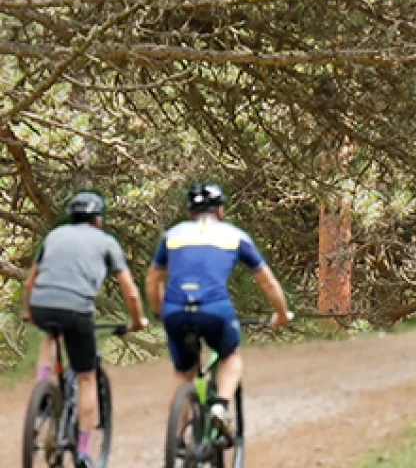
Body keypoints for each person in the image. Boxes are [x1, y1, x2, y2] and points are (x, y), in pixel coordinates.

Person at [145, 182, 291, 438]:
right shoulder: (236, 236)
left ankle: (176, 444)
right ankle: (220, 407)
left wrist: (160, 312)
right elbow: (268, 282)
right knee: (230, 357)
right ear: (220, 211)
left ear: (190, 212)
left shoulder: (173, 235)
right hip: (214, 310)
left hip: (175, 311)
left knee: (183, 375)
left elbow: (152, 280)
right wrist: (281, 314)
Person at [23, 191, 146, 468]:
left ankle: (43, 386)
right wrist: (137, 320)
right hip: (77, 310)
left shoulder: (54, 237)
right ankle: (83, 452)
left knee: (51, 336)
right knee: (86, 377)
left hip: (42, 305)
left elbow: (30, 283)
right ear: (98, 219)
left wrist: (30, 313)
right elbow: (131, 292)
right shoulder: (106, 242)